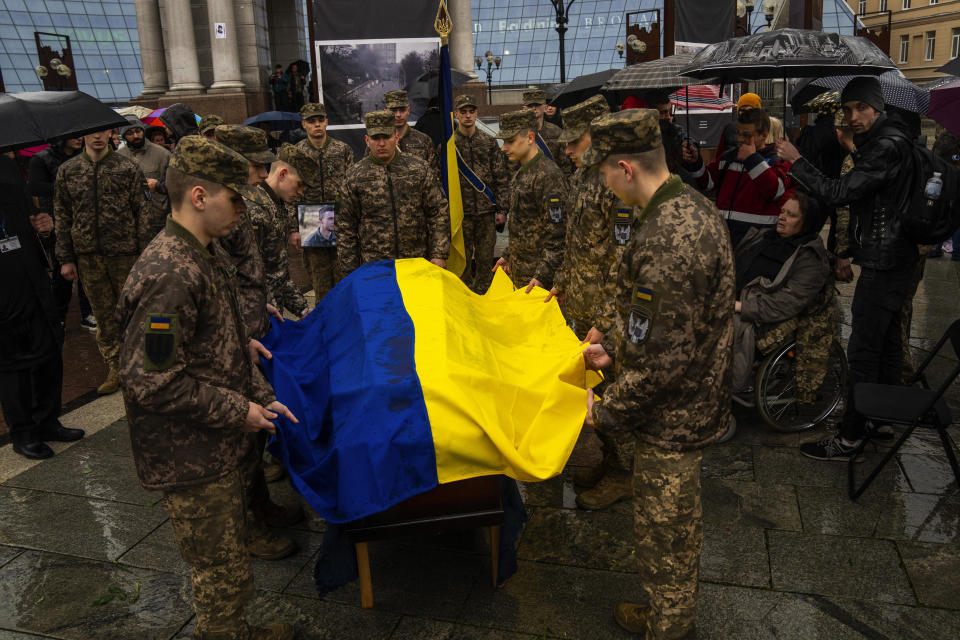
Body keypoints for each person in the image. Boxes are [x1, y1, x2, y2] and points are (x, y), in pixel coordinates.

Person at [116, 135, 297, 640]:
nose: (243, 208)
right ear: (199, 196)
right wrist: (241, 411)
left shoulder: (201, 252)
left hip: (212, 442)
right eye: (235, 198)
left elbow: (217, 341)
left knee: (231, 558)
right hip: (188, 454)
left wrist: (258, 388)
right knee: (220, 570)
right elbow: (153, 382)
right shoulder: (168, 273)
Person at [579, 108, 734, 639]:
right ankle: (670, 613)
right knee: (670, 525)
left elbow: (663, 364)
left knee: (665, 531)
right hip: (684, 406)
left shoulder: (668, 236)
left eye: (602, 171)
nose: (601, 182)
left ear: (626, 167)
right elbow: (665, 330)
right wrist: (616, 351)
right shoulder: (686, 207)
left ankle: (669, 627)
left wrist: (602, 412)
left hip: (672, 418)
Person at [778, 76, 919, 461]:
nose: (853, 116)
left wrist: (797, 162)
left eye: (862, 109)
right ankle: (881, 419)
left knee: (864, 349)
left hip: (884, 260)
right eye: (849, 109)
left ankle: (850, 437)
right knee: (888, 342)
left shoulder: (887, 146)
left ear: (879, 109)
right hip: (895, 257)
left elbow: (840, 192)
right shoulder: (891, 141)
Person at [546, 94, 636, 511]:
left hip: (610, 319)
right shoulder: (583, 178)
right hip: (581, 307)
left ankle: (625, 473)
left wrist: (603, 322)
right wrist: (561, 283)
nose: (565, 150)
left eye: (572, 142)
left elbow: (624, 261)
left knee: (616, 393)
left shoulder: (615, 183)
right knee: (594, 395)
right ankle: (608, 459)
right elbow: (576, 243)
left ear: (596, 136)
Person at [54, 127, 149, 395]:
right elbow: (62, 215)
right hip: (88, 256)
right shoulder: (68, 171)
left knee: (133, 311)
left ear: (110, 134)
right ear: (81, 136)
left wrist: (145, 255)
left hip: (125, 252)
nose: (97, 137)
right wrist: (66, 258)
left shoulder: (126, 168)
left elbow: (142, 211)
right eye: (90, 132)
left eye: (102, 131)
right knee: (104, 315)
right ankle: (115, 367)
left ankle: (140, 366)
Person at [1, 153, 84, 460]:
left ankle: (47, 420)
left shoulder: (7, 167)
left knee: (48, 353)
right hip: (3, 291)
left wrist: (43, 228)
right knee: (12, 366)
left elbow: (27, 218)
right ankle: (22, 433)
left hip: (33, 282)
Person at [731, 191, 829, 392]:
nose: (782, 217)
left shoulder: (810, 258)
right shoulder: (765, 237)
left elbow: (788, 301)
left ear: (807, 223)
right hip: (734, 299)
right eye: (782, 212)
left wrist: (742, 306)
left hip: (762, 316)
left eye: (791, 215)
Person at [336, 110, 450, 277]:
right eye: (376, 138)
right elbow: (344, 225)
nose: (381, 143)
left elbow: (438, 211)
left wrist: (439, 254)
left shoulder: (419, 169)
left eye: (386, 137)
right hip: (375, 266)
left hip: (416, 262)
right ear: (367, 140)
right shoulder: (354, 176)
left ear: (396, 137)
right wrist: (350, 271)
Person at [682, 107, 791, 248]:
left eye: (746, 135)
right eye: (738, 133)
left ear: (763, 135)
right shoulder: (729, 157)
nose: (740, 139)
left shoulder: (778, 160)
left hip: (757, 243)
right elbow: (708, 183)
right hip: (723, 237)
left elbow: (775, 191)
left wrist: (752, 159)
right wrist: (695, 162)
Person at [493, 109, 567, 290]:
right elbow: (524, 225)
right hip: (523, 273)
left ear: (530, 138)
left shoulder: (548, 176)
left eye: (510, 141)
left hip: (538, 279)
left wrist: (543, 275)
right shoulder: (523, 172)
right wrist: (509, 254)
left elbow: (558, 235)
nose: (504, 148)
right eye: (504, 142)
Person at [26, 136, 96, 329]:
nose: (79, 138)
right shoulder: (41, 159)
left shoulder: (86, 157)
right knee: (61, 270)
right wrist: (68, 187)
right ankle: (58, 314)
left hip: (84, 220)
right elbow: (35, 186)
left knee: (87, 269)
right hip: (57, 221)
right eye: (74, 135)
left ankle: (88, 312)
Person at [291, 102, 355, 304]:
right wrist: (293, 228)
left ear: (326, 122)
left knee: (343, 275)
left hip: (340, 218)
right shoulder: (296, 153)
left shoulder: (342, 149)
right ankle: (325, 326)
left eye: (320, 120)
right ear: (304, 125)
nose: (317, 125)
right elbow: (288, 194)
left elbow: (351, 187)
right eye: (311, 121)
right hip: (309, 219)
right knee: (319, 280)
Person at [244, 144, 316, 318]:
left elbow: (279, 271)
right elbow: (250, 274)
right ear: (282, 174)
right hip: (258, 313)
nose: (300, 193)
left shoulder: (279, 205)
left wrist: (303, 310)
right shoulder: (256, 210)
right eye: (299, 185)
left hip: (272, 309)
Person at [449, 94, 510, 293]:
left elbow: (500, 176)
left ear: (477, 113)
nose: (468, 115)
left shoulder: (489, 142)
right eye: (463, 112)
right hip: (462, 214)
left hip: (485, 213)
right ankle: (466, 301)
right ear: (456, 114)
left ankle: (484, 299)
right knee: (463, 264)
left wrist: (502, 209)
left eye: (471, 111)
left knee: (485, 262)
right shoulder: (450, 145)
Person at [117, 115, 172, 238]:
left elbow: (173, 186)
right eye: (130, 133)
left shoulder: (162, 154)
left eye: (138, 131)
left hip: (158, 220)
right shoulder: (117, 157)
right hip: (129, 221)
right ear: (124, 136)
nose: (136, 136)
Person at [520, 88, 575, 177]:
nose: (534, 108)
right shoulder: (519, 134)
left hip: (553, 185)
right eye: (530, 105)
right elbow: (512, 167)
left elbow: (565, 165)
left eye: (537, 105)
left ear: (545, 107)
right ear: (524, 109)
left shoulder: (556, 132)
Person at [382, 90, 438, 171]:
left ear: (408, 110)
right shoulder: (379, 143)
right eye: (393, 111)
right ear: (386, 111)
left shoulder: (423, 141)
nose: (398, 115)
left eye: (402, 110)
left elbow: (434, 172)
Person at [716, 92, 763, 159]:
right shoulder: (730, 128)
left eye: (750, 110)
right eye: (742, 110)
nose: (746, 114)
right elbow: (719, 155)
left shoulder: (762, 128)